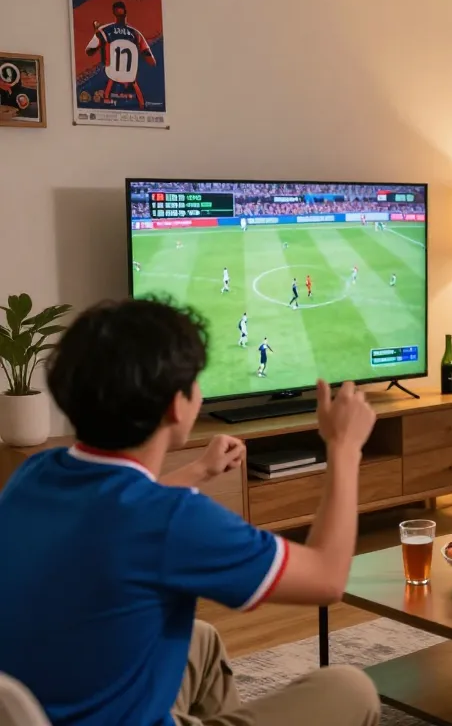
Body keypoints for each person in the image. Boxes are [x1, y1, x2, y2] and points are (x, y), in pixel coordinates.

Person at [0, 299, 381, 726]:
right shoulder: (173, 519)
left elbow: (115, 517)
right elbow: (326, 578)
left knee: (201, 641)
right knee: (350, 688)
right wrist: (344, 447)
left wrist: (200, 470)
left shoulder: (35, 473)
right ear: (177, 406)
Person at [84, 1, 157, 108]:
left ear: (114, 13)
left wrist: (102, 42)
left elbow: (89, 51)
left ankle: (107, 99)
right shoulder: (136, 34)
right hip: (131, 78)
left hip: (112, 76)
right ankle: (141, 104)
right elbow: (152, 62)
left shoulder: (104, 31)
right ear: (126, 13)